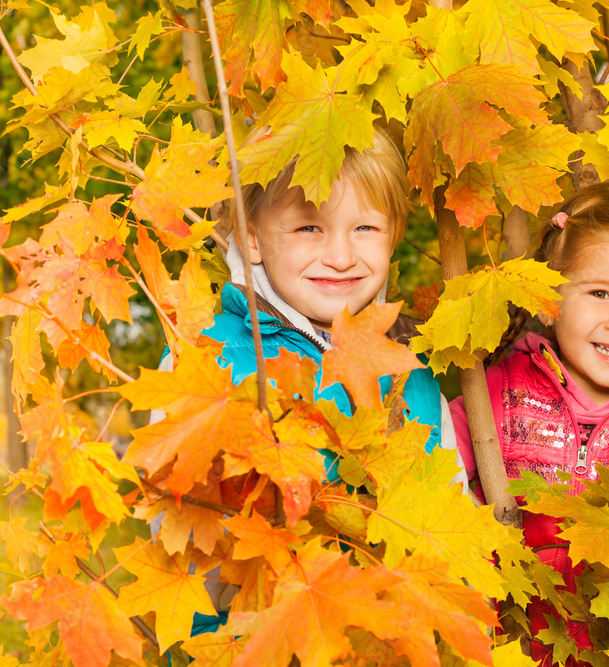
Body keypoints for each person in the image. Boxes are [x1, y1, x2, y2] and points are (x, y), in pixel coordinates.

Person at [153, 127, 459, 642]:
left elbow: (452, 517)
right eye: (309, 229)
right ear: (251, 236)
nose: (340, 256)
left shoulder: (412, 371)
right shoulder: (208, 360)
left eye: (364, 227)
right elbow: (182, 535)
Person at [450, 182, 609, 664]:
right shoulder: (498, 395)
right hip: (505, 646)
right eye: (600, 293)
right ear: (550, 297)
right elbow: (436, 482)